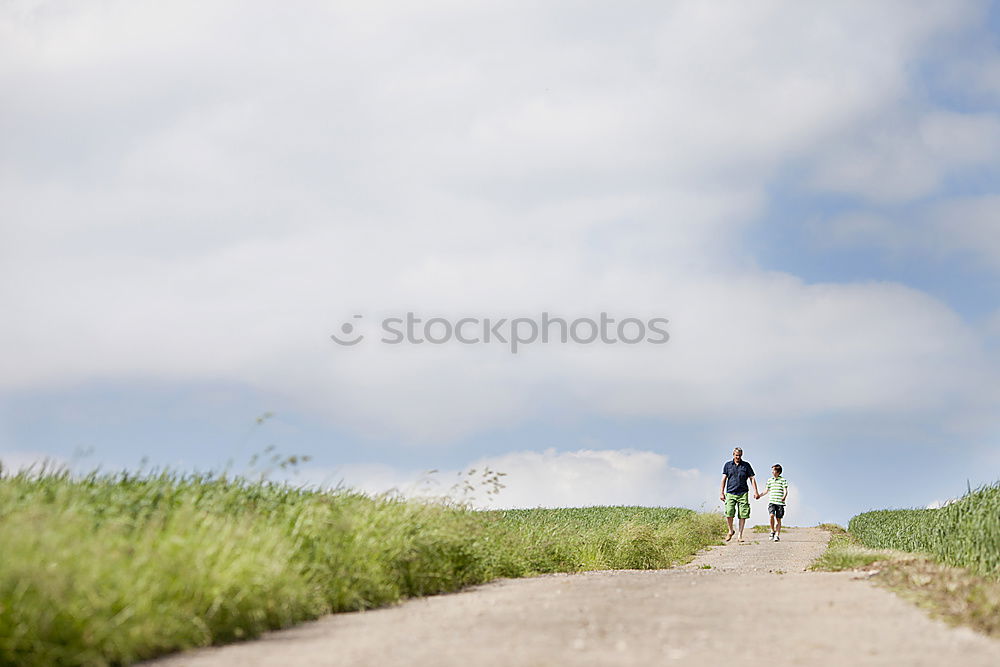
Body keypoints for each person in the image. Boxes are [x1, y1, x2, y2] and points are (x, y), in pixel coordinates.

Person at [719, 447, 759, 542]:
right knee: (729, 513)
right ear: (733, 455)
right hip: (730, 492)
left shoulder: (746, 465)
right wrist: (721, 493)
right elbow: (724, 479)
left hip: (743, 493)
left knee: (743, 514)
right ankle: (730, 531)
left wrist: (756, 491)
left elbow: (752, 478)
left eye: (740, 455)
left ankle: (740, 535)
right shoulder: (728, 465)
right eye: (736, 455)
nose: (738, 457)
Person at [757, 464, 788, 541]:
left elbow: (785, 490)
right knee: (771, 515)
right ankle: (772, 531)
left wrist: (784, 496)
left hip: (780, 503)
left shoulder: (783, 480)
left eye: (773, 470)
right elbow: (766, 491)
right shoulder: (770, 480)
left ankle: (777, 535)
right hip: (772, 502)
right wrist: (759, 495)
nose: (772, 472)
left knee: (778, 519)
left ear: (778, 472)